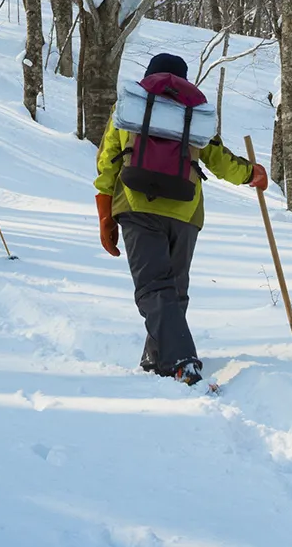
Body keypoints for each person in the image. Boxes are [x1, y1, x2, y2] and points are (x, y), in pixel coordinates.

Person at [91, 51, 267, 386]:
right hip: (185, 210)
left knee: (153, 287)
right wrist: (251, 174)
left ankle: (181, 361)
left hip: (137, 204)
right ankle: (158, 358)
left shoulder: (131, 105)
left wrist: (105, 216)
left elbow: (108, 161)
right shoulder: (193, 111)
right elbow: (218, 159)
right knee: (174, 288)